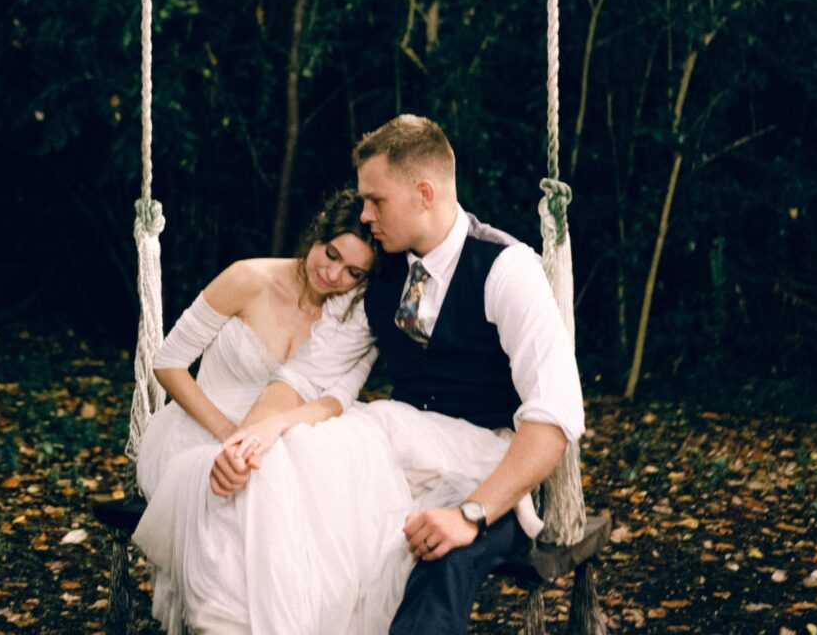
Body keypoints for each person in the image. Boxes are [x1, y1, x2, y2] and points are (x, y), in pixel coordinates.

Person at [211, 114, 585, 635]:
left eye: (376, 200)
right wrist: (249, 444)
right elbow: (310, 374)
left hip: (493, 477)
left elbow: (554, 418)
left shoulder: (506, 269)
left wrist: (469, 514)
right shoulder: (382, 273)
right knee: (303, 506)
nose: (365, 215)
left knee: (438, 560)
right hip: (401, 467)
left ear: (424, 193)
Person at [133, 190, 397, 634]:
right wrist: (229, 432)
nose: (333, 275)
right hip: (201, 426)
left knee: (328, 483)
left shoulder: (354, 318)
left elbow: (335, 401)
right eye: (331, 254)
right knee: (249, 498)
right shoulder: (248, 278)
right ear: (316, 235)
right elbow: (168, 362)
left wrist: (263, 434)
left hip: (282, 437)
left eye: (353, 272)